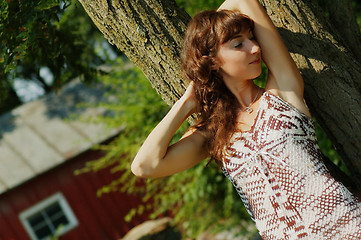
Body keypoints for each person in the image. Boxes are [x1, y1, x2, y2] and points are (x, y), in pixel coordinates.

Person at [131, 0, 361, 238]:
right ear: (211, 60)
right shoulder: (213, 134)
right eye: (239, 44)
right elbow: (143, 165)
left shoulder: (282, 92)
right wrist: (187, 102)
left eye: (253, 38)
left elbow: (243, 1)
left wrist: (209, 30)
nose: (255, 48)